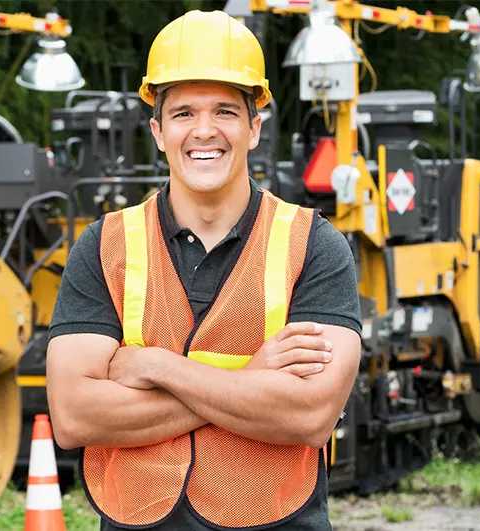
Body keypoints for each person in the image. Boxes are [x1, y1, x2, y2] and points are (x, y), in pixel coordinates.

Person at [46, 10, 361, 530]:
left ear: (255, 127)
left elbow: (307, 415)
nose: (205, 131)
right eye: (185, 113)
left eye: (225, 111)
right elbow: (75, 415)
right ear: (158, 130)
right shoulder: (105, 245)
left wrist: (155, 367)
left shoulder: (314, 245)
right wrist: (252, 378)